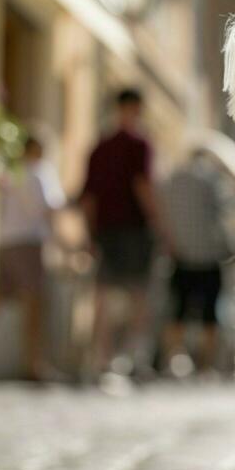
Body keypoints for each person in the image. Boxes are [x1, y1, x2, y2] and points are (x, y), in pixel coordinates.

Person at [0, 132, 65, 384]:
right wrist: (64, 244)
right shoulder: (40, 173)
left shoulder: (11, 172)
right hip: (28, 242)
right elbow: (49, 209)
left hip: (6, 242)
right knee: (34, 305)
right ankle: (33, 365)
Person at [79, 88, 167, 380]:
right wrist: (159, 224)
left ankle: (101, 359)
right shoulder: (140, 145)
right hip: (134, 228)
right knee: (138, 293)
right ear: (138, 109)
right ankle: (133, 358)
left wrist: (88, 235)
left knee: (102, 293)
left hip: (104, 228)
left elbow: (88, 197)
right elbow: (143, 186)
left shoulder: (99, 147)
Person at [160, 147, 235, 376]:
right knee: (209, 314)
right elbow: (223, 214)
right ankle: (205, 367)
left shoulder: (173, 179)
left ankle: (172, 361)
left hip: (180, 255)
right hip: (208, 255)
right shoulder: (212, 179)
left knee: (178, 311)